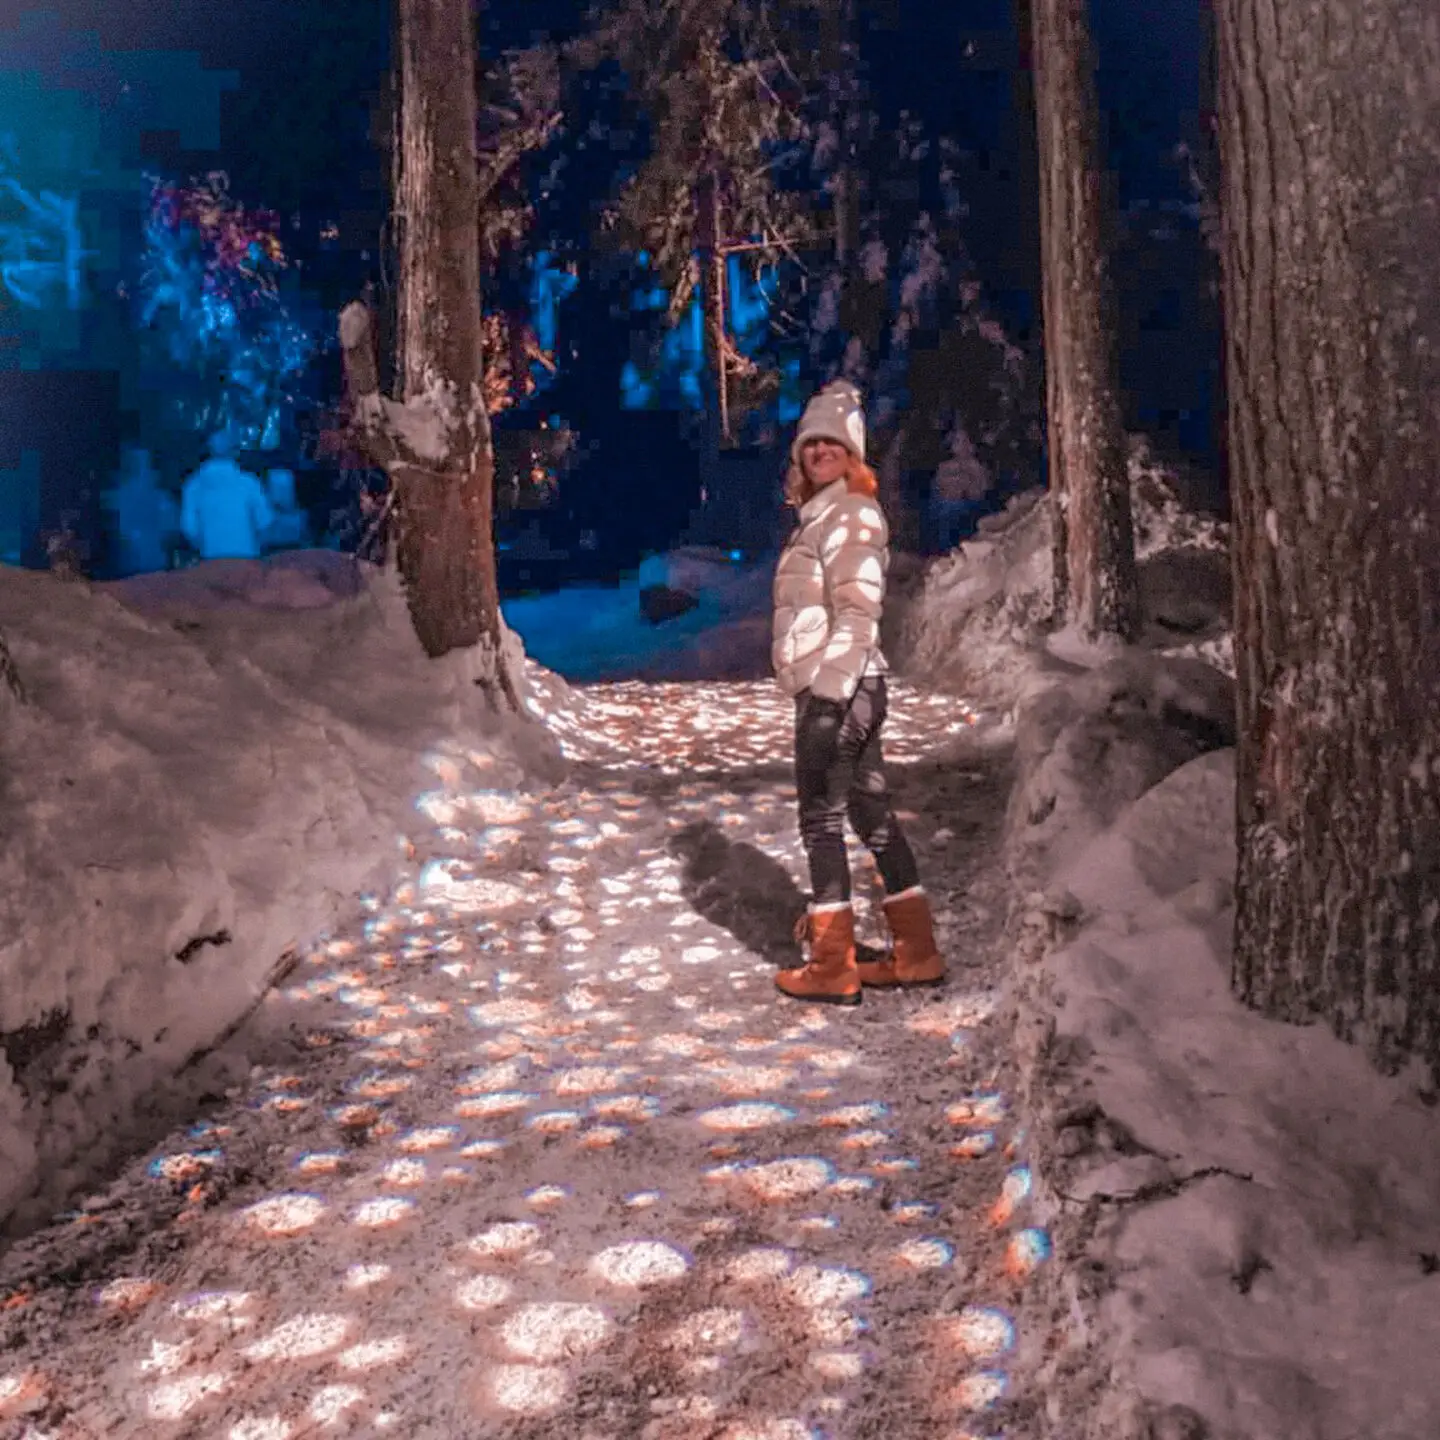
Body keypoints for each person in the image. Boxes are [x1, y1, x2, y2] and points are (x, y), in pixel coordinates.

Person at [771, 379, 946, 1005]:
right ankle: (917, 951)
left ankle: (832, 965)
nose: (821, 451)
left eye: (834, 444)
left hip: (839, 689)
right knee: (870, 815)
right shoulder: (826, 517)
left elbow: (857, 612)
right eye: (812, 442)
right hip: (855, 687)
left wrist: (827, 694)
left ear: (853, 456)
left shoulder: (849, 515)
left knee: (820, 820)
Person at [180, 430, 274, 561]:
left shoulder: (193, 485)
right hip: (246, 560)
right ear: (235, 452)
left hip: (211, 561)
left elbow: (190, 530)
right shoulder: (249, 482)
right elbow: (265, 524)